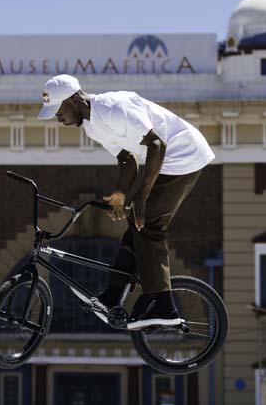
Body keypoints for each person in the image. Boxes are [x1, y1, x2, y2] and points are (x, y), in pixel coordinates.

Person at [38, 74, 214, 330]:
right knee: (136, 225)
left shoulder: (114, 108)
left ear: (75, 100)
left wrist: (142, 196)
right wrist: (121, 194)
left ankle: (165, 307)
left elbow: (157, 144)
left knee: (149, 225)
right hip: (166, 161)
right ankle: (112, 296)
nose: (58, 119)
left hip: (184, 155)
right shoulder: (91, 126)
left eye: (59, 111)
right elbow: (127, 159)